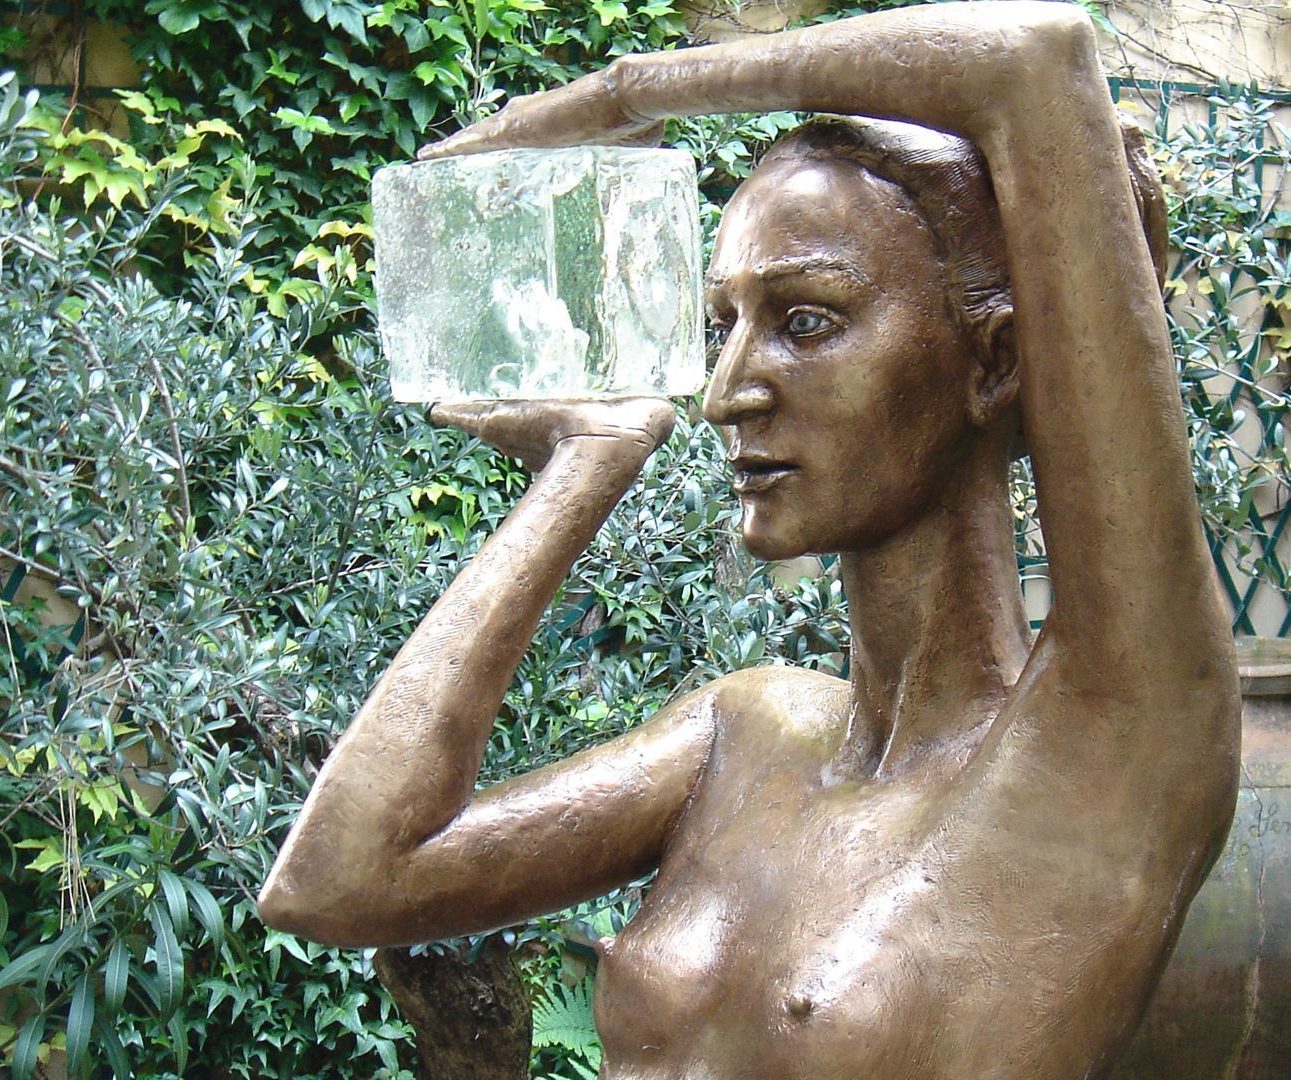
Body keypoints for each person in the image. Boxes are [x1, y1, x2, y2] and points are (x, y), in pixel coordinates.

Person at [258, 4, 1240, 1075]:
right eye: (724, 327)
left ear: (996, 360)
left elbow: (1034, 59)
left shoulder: (1101, 750)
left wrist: (625, 92)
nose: (727, 394)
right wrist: (589, 462)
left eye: (805, 322)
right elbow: (342, 880)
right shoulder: (745, 731)